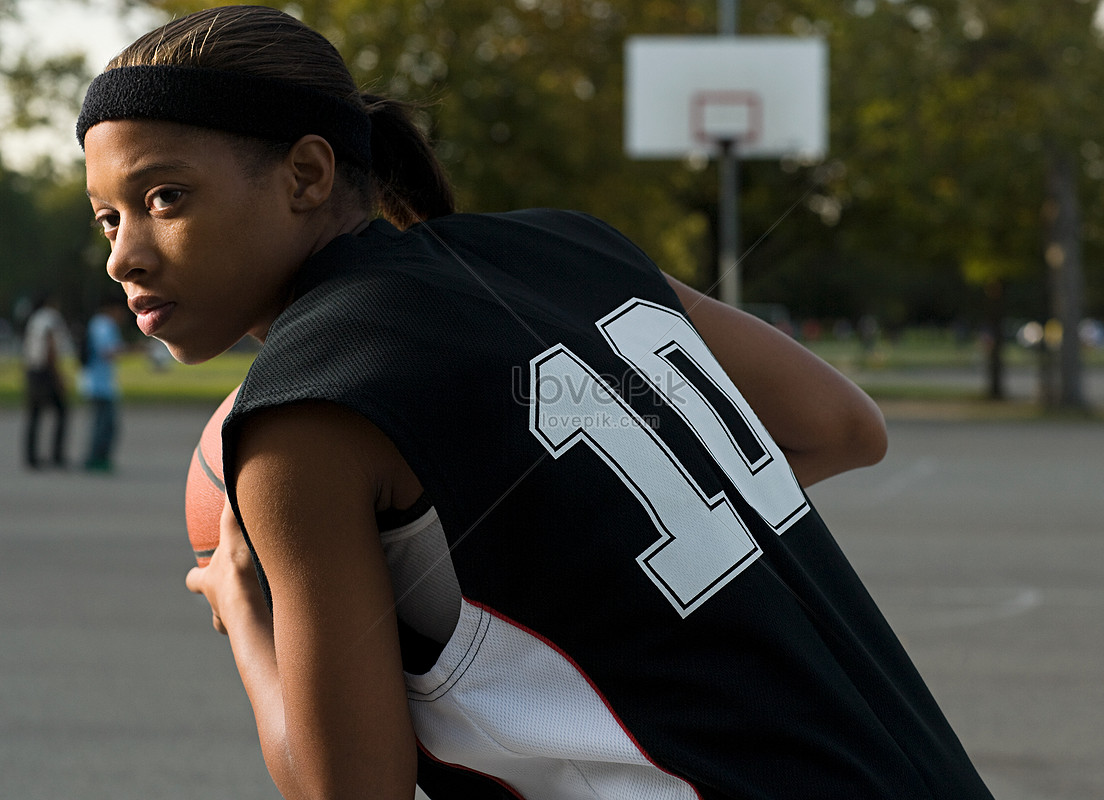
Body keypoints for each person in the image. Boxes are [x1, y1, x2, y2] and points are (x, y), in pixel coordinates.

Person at [77, 6, 994, 799]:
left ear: (309, 175)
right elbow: (840, 427)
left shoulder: (304, 414)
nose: (125, 255)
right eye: (109, 218)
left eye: (167, 197)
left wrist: (247, 611)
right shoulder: (569, 246)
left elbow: (349, 790)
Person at [21, 292, 73, 470]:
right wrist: (58, 375)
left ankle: (31, 457)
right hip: (46, 371)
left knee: (35, 414)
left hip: (33, 369)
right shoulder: (50, 317)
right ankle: (57, 455)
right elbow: (50, 345)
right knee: (62, 411)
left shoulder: (34, 319)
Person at [79, 295, 127, 472]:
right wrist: (132, 349)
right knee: (104, 424)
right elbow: (107, 351)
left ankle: (99, 458)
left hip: (99, 382)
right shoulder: (103, 324)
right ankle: (96, 459)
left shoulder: (99, 323)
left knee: (104, 423)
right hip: (98, 384)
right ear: (113, 309)